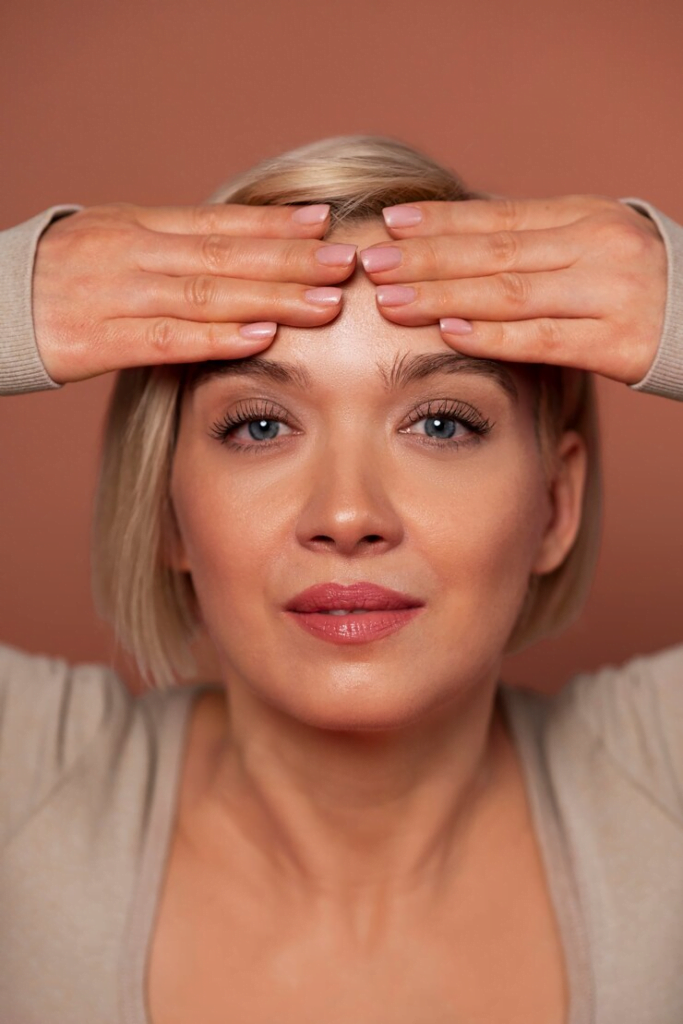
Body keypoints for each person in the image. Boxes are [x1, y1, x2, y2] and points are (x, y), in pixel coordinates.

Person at [0, 136, 681, 1024]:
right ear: (167, 509)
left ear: (553, 505)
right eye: (256, 426)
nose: (348, 511)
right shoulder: (27, 781)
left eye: (439, 424)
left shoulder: (659, 780)